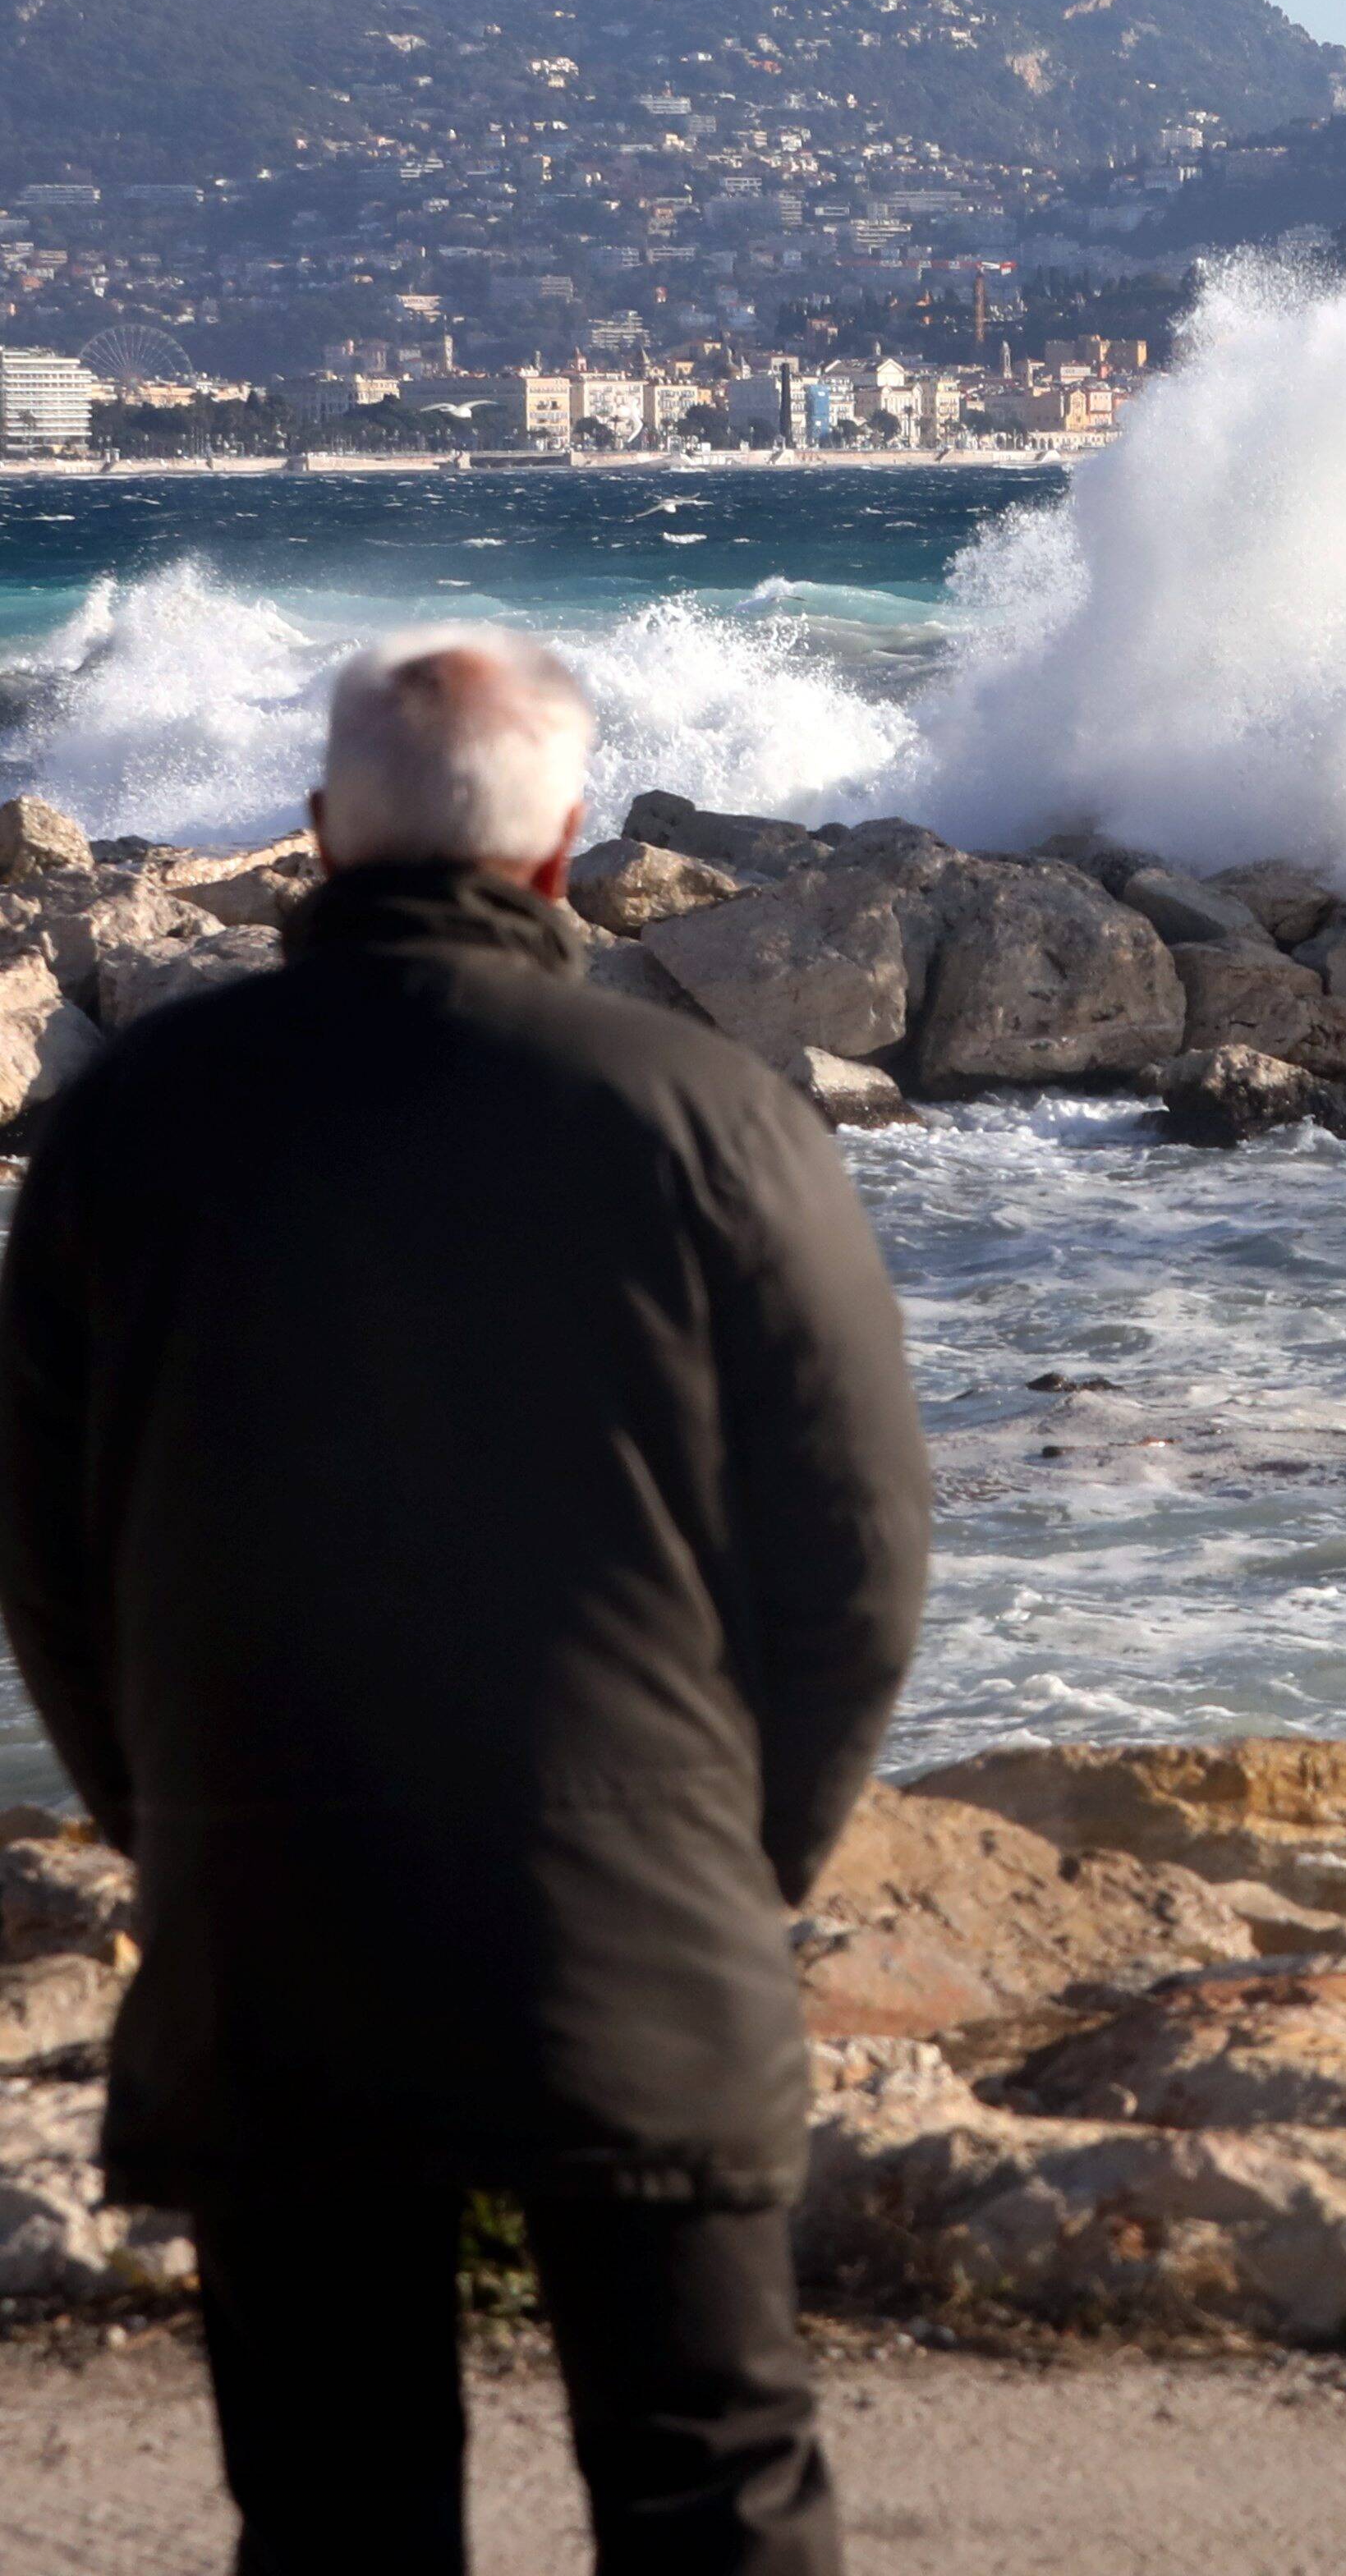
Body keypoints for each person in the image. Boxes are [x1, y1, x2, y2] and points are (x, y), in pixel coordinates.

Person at [0, 627, 934, 2574]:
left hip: (272, 1913)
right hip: (642, 1915)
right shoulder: (713, 1111)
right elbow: (853, 1550)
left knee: (332, 2506)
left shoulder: (138, 1117)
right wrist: (744, 1858)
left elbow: (47, 1552)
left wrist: (175, 1824)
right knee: (712, 2481)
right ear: (565, 845)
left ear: (322, 832)